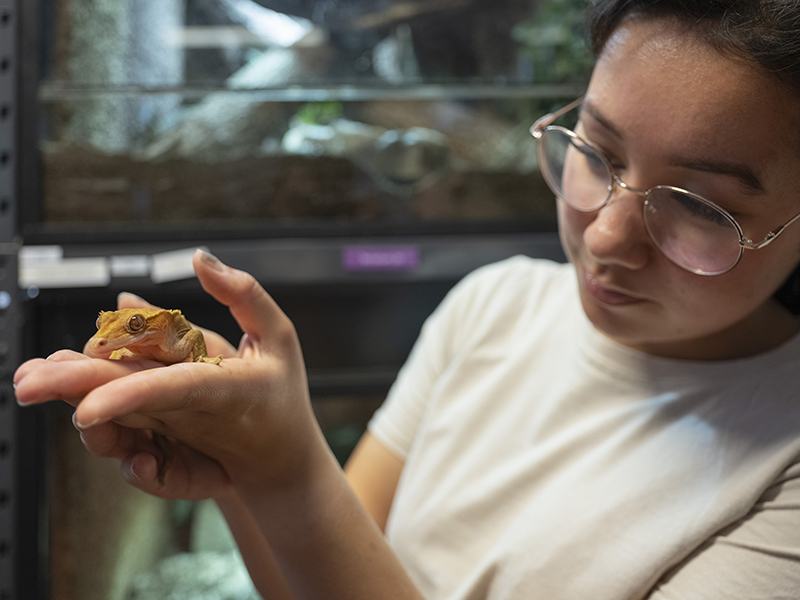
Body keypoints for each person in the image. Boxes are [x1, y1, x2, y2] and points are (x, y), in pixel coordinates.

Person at [14, 0, 800, 597]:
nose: (605, 236)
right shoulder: (492, 305)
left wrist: (284, 463)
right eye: (596, 151)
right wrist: (239, 463)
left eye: (701, 207)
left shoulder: (782, 474)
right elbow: (318, 575)